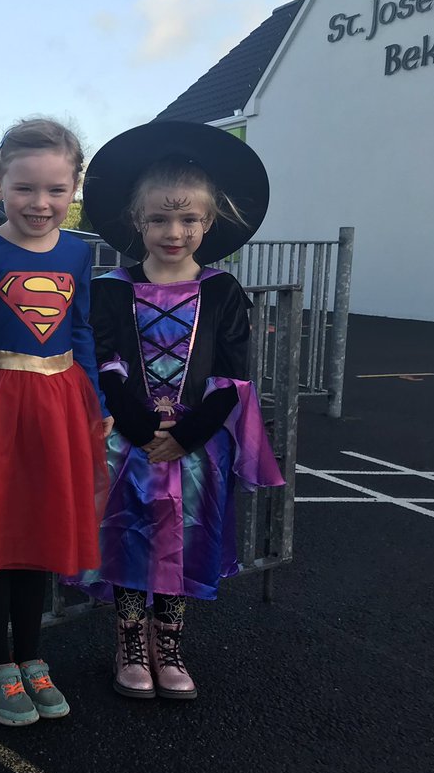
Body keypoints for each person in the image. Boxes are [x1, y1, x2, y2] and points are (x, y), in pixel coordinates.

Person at [77, 121, 284, 700]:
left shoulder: (222, 293)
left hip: (198, 446)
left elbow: (233, 374)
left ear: (208, 223)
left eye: (189, 219)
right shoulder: (112, 289)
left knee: (183, 539)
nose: (175, 231)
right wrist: (145, 429)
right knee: (126, 536)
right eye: (160, 219)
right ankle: (130, 642)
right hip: (128, 442)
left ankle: (169, 644)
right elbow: (107, 362)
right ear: (136, 222)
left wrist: (188, 433)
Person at [0, 119, 111, 727]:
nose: (40, 204)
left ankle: (31, 656)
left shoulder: (77, 252)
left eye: (55, 190)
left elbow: (81, 328)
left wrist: (93, 398)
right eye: (24, 189)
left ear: (74, 189)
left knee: (40, 535)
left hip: (59, 407)